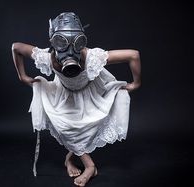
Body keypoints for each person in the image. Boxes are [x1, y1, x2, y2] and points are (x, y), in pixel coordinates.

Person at [11, 12, 141, 186]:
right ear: (53, 41)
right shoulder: (48, 58)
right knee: (68, 128)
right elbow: (16, 47)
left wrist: (136, 83)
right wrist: (22, 76)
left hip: (90, 92)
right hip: (64, 94)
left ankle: (72, 160)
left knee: (87, 129)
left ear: (82, 41)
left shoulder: (92, 57)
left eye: (77, 43)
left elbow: (133, 55)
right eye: (61, 42)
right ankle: (90, 165)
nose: (69, 51)